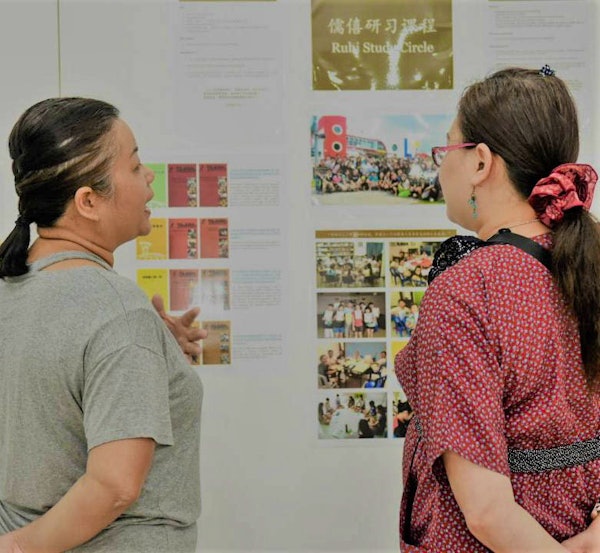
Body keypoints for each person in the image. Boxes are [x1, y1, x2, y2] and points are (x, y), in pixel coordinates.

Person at [394, 67, 600, 551]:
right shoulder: (588, 265)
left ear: (481, 162)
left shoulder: (467, 288)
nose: (441, 166)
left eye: (447, 149)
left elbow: (487, 513)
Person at [0, 97, 207, 552]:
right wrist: (16, 548)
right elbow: (115, 485)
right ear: (89, 201)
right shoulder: (116, 311)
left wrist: (156, 352)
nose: (149, 176)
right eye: (134, 166)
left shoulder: (12, 290)